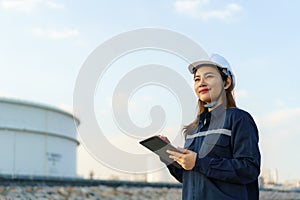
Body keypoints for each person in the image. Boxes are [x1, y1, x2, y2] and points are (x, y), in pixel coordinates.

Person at [159, 53, 261, 200]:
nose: (201, 83)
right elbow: (189, 177)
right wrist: (169, 156)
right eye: (197, 79)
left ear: (226, 82)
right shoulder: (193, 129)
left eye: (209, 76)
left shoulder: (239, 119)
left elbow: (248, 169)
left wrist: (199, 162)